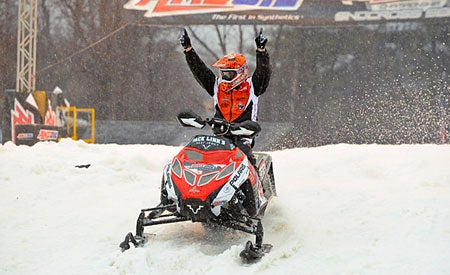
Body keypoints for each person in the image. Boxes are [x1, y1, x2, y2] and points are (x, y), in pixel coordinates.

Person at [179, 28, 272, 167]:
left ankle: (254, 185)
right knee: (199, 157)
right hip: (220, 135)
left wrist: (261, 51)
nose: (225, 77)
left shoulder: (252, 86)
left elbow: (263, 72)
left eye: (229, 74)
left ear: (240, 73)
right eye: (223, 73)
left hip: (243, 136)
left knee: (245, 156)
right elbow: (200, 71)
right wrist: (188, 49)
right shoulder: (217, 85)